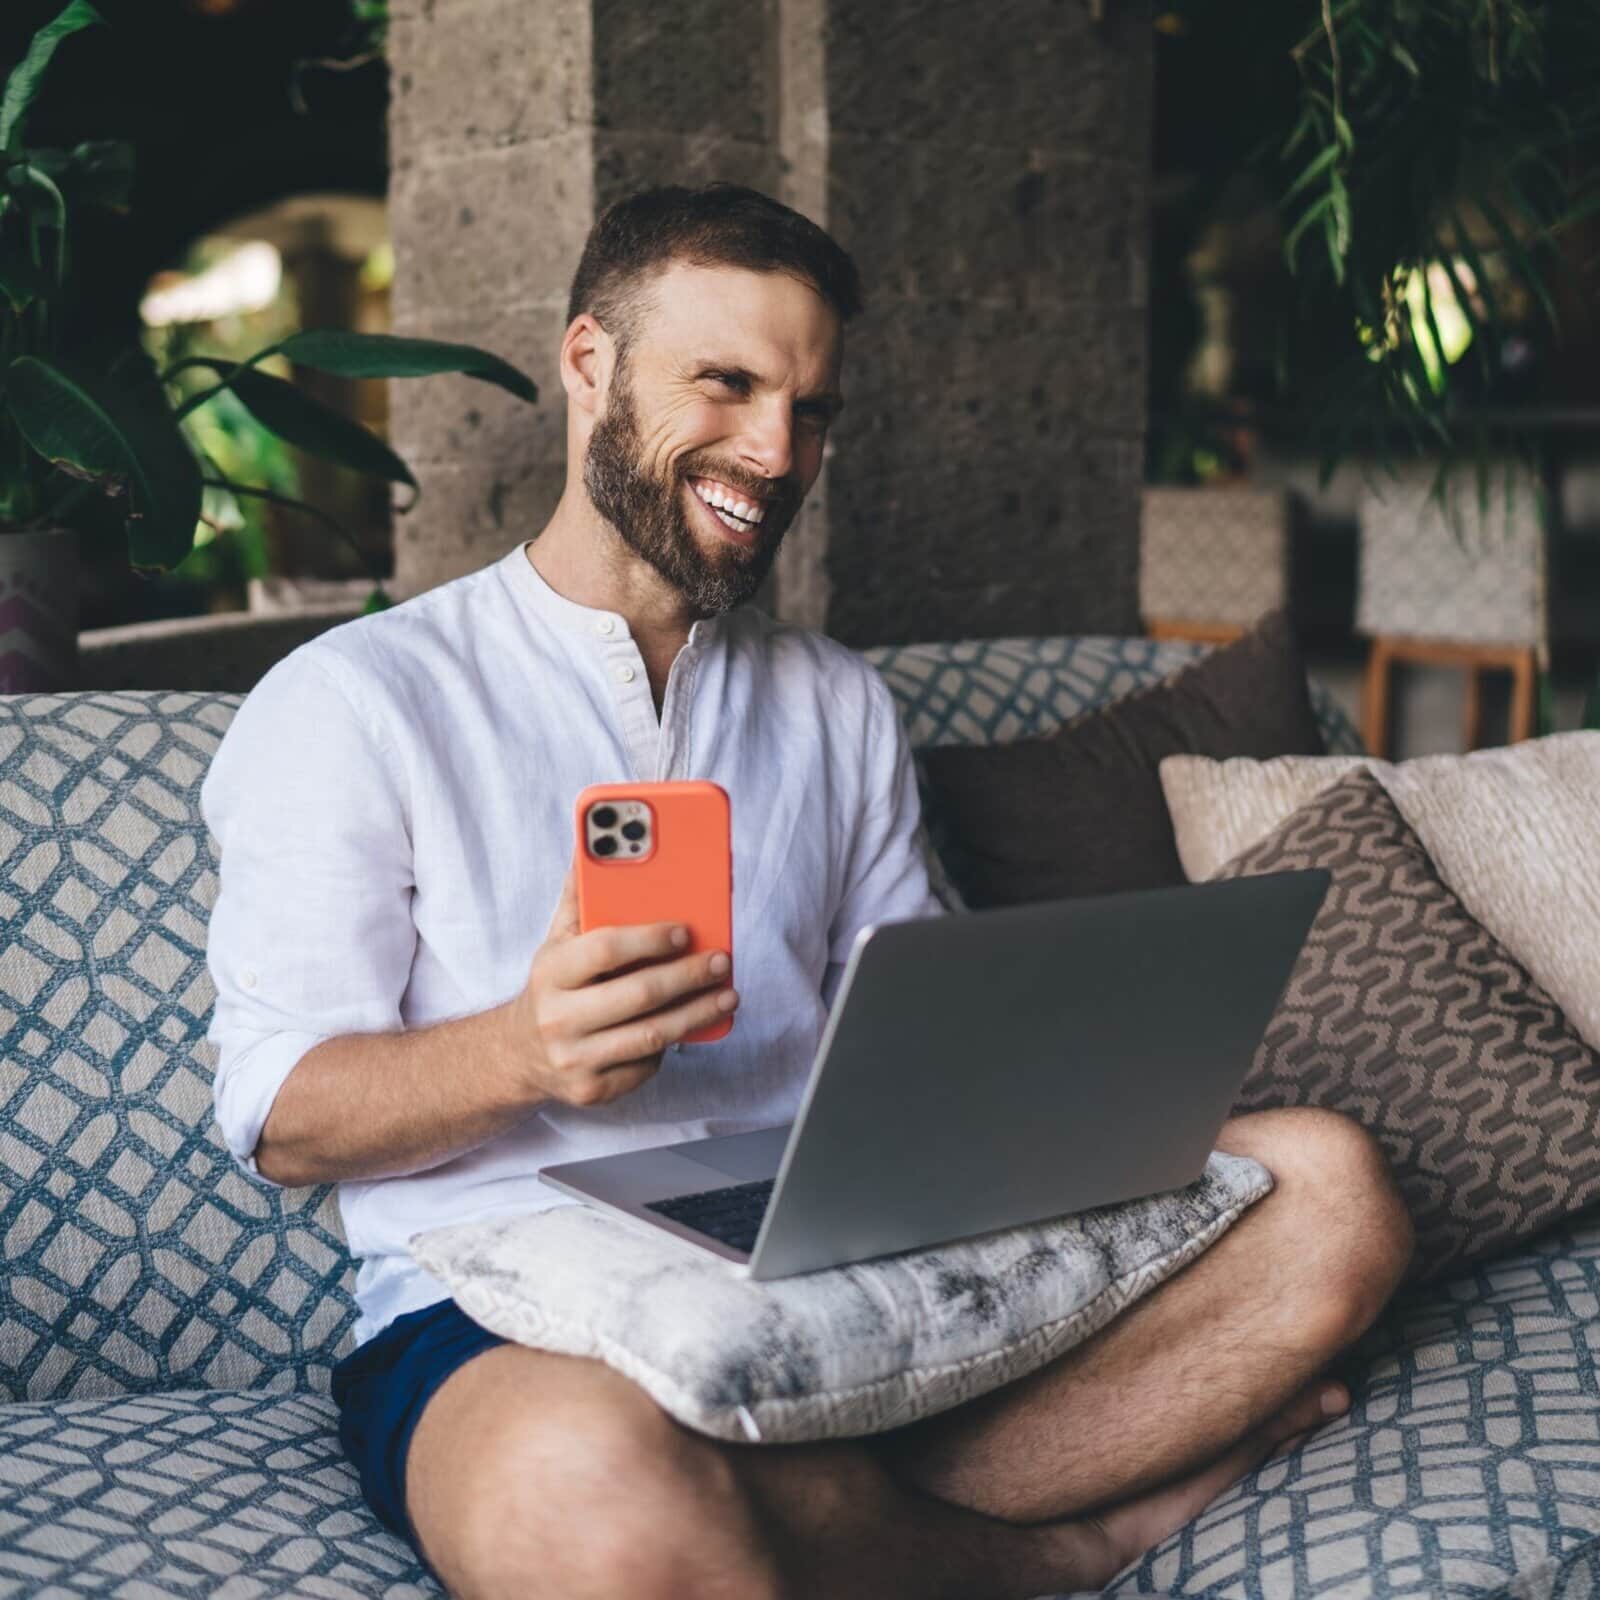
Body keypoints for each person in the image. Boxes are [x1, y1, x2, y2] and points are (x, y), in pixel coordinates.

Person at [203, 182, 1413, 1599]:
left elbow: (914, 1036)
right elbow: (282, 1118)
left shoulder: (835, 705)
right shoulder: (358, 701)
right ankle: (1055, 1545)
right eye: (725, 383)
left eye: (815, 408)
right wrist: (520, 1052)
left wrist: (1048, 1085)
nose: (777, 452)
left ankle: (827, 1497)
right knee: (608, 1506)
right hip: (502, 1310)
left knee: (1333, 1190)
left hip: (836, 1274)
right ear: (590, 362)